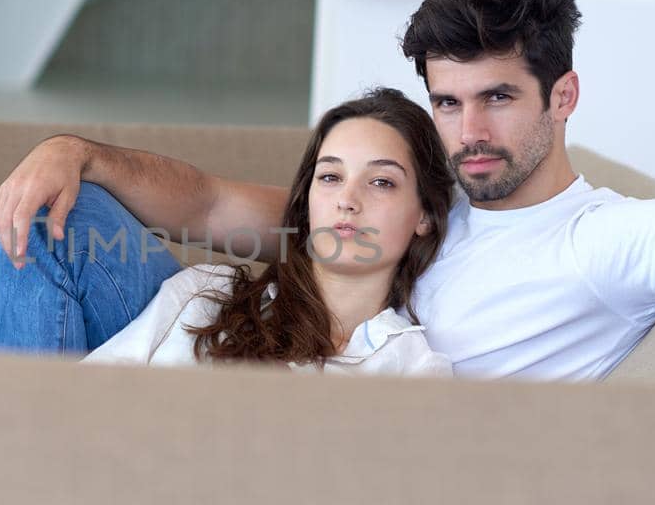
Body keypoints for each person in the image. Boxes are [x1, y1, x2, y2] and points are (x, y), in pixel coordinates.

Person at [0, 0, 655, 380]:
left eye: (497, 99)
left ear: (562, 97)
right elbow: (197, 200)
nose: (468, 130)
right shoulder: (411, 198)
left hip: (349, 419)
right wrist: (76, 151)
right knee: (68, 213)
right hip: (258, 350)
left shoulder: (606, 238)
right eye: (448, 104)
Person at [81, 88, 453, 377]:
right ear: (306, 202)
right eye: (330, 177)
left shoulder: (415, 367)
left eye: (381, 182)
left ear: (425, 216)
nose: (347, 200)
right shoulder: (206, 294)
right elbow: (79, 398)